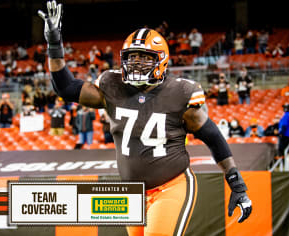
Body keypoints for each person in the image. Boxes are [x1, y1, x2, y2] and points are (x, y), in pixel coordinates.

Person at [38, 3, 252, 236]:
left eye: (144, 58)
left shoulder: (180, 93)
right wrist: (54, 44)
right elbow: (66, 87)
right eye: (132, 58)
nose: (137, 64)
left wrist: (237, 184)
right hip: (132, 192)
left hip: (171, 186)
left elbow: (212, 136)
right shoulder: (112, 85)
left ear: (162, 60)